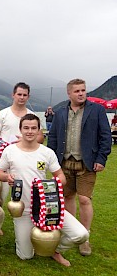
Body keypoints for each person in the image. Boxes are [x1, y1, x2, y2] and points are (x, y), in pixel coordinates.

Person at [0, 114, 89, 267]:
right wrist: (7, 177)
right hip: (23, 210)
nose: (30, 131)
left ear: (39, 130)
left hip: (48, 206)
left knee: (81, 234)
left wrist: (51, 185)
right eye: (26, 128)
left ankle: (54, 250)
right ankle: (36, 240)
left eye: (34, 128)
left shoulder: (47, 153)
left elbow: (61, 177)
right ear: (20, 129)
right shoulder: (10, 150)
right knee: (25, 256)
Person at [48, 79, 111, 256]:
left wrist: (101, 158)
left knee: (84, 199)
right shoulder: (60, 113)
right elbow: (52, 138)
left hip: (87, 163)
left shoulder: (97, 110)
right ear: (69, 93)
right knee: (67, 198)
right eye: (77, 91)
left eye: (83, 90)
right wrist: (52, 162)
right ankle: (72, 232)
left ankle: (85, 237)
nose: (81, 93)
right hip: (64, 163)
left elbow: (105, 136)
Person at [0, 82, 44, 209]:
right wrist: (3, 144)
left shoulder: (32, 116)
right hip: (2, 159)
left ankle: (24, 217)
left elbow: (40, 137)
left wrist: (26, 140)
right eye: (19, 94)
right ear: (13, 95)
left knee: (24, 192)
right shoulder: (3, 114)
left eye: (25, 95)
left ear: (28, 97)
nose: (22, 97)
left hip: (24, 160)